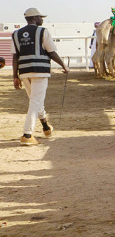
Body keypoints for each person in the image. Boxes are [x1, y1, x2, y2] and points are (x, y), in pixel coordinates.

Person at [12, 8, 69, 145]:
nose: (42, 20)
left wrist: (15, 76)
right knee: (35, 102)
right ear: (35, 18)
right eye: (40, 17)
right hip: (40, 71)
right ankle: (27, 134)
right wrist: (64, 66)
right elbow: (52, 52)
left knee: (35, 100)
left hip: (24, 72)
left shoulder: (16, 34)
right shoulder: (43, 31)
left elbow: (15, 57)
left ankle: (45, 127)